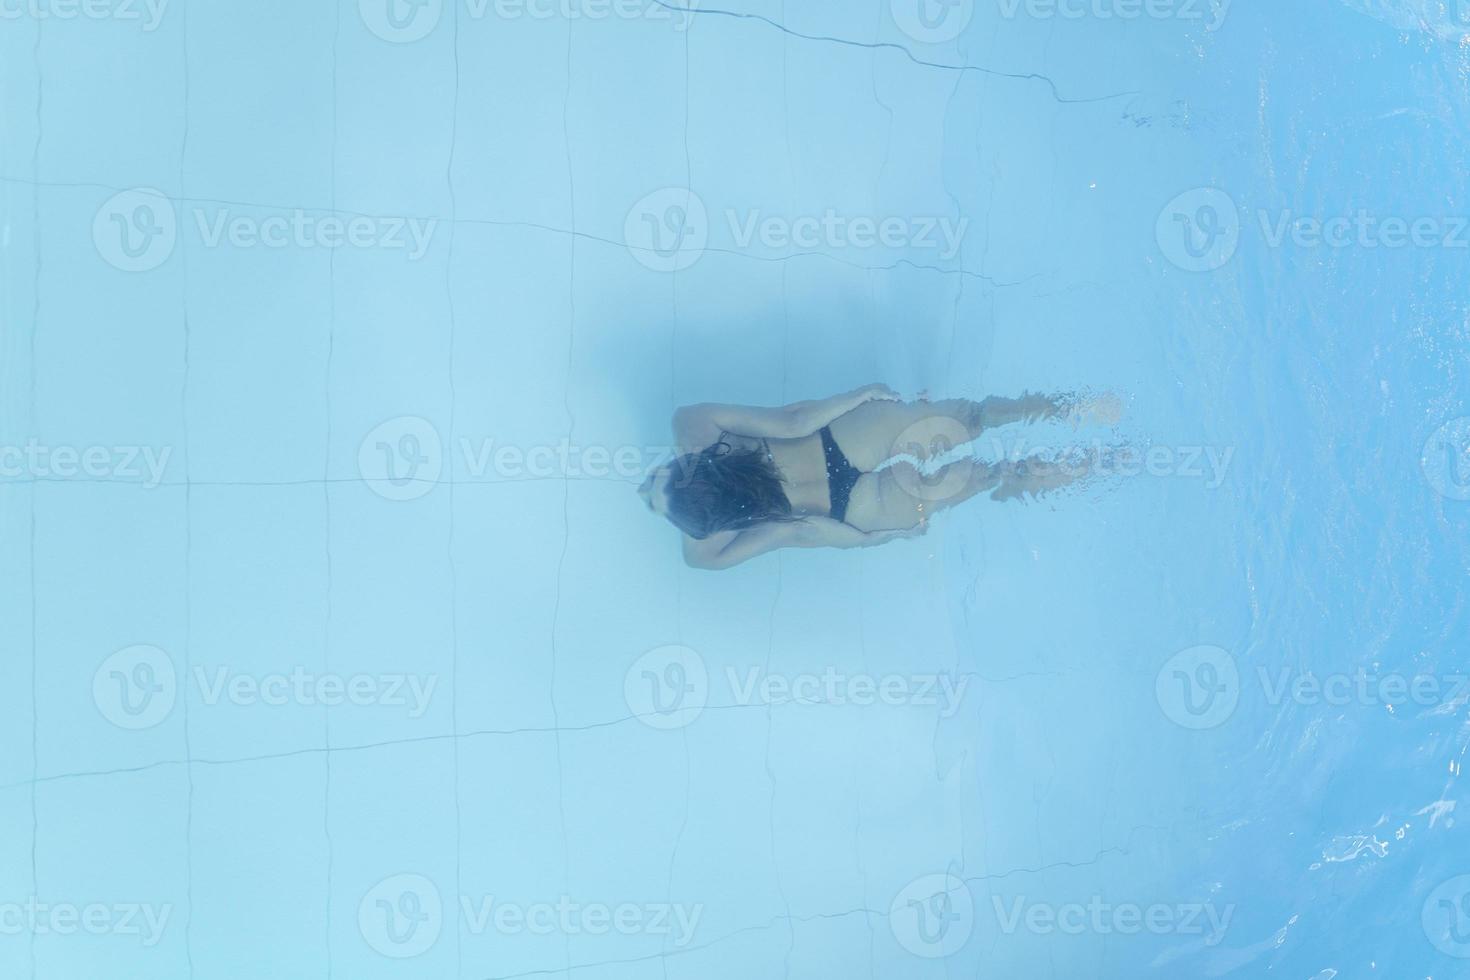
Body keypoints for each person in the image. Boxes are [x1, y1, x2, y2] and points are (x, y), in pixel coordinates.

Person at [638, 384, 1111, 569]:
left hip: (852, 511)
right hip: (841, 441)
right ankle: (1074, 408)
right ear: (691, 461)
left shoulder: (705, 546)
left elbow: (801, 531)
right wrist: (861, 395)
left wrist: (875, 540)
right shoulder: (693, 426)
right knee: (974, 417)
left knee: (989, 475)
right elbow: (795, 420)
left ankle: (1102, 465)